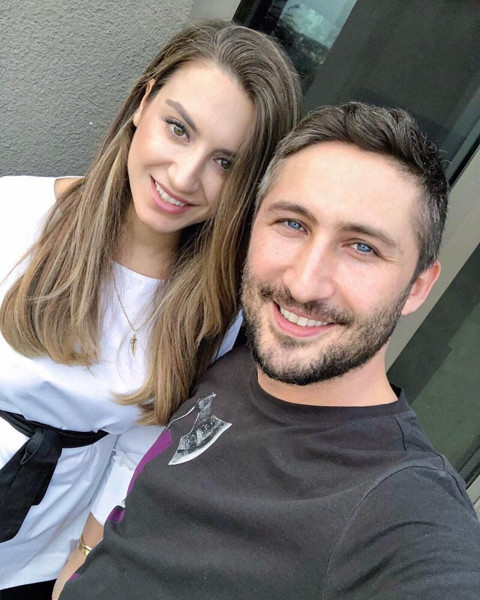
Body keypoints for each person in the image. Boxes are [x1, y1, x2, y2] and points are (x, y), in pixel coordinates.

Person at [60, 103, 480, 600]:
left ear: (417, 287)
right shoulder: (236, 356)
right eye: (292, 224)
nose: (303, 284)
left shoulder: (399, 510)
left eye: (362, 247)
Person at [0, 21, 302, 598]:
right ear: (142, 104)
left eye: (225, 162)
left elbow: (137, 450)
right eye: (178, 129)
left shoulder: (210, 309)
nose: (184, 177)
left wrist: (79, 566)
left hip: (39, 556)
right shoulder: (12, 214)